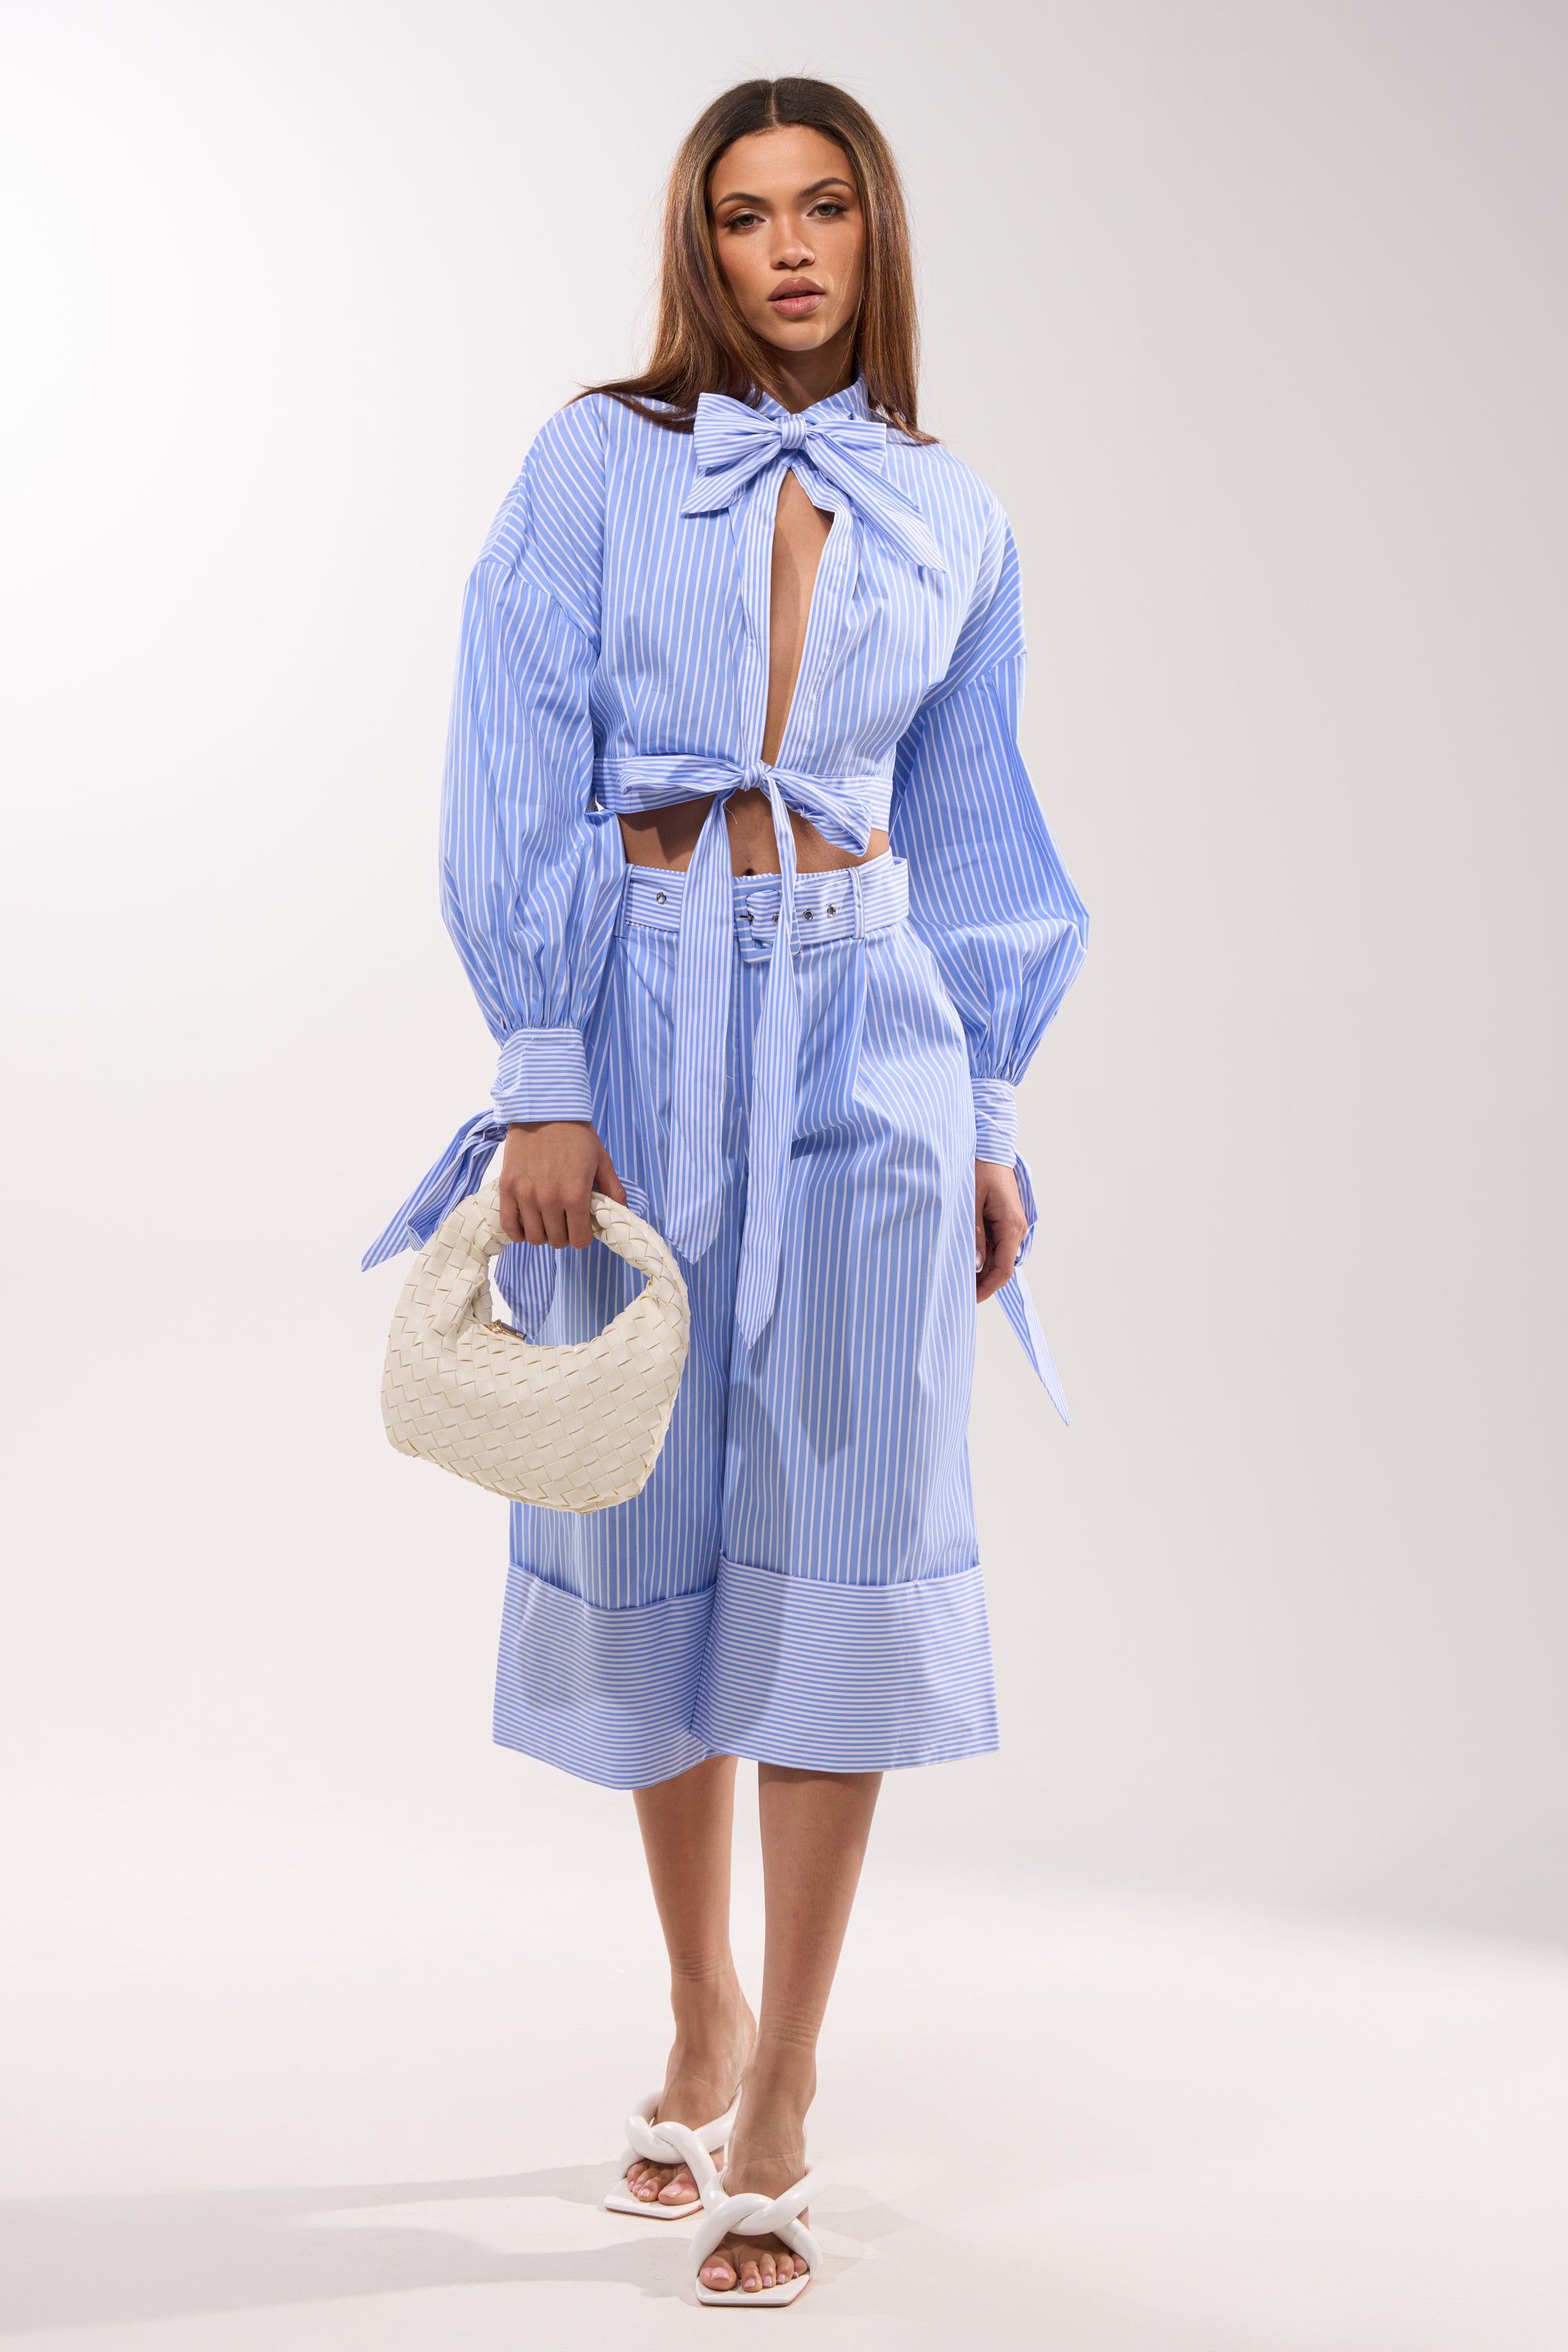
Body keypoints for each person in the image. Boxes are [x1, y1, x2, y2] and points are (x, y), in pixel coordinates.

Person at [365, 75, 1088, 2304]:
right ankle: (697, 2006)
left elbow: (977, 832)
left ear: (878, 243)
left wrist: (984, 1118)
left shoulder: (950, 512)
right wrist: (544, 1069)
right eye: (749, 215)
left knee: (852, 1534)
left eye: (829, 213)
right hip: (646, 1013)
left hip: (869, 1033)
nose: (789, 251)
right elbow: (518, 747)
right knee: (647, 1513)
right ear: (699, 245)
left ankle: (785, 2081)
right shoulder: (597, 462)